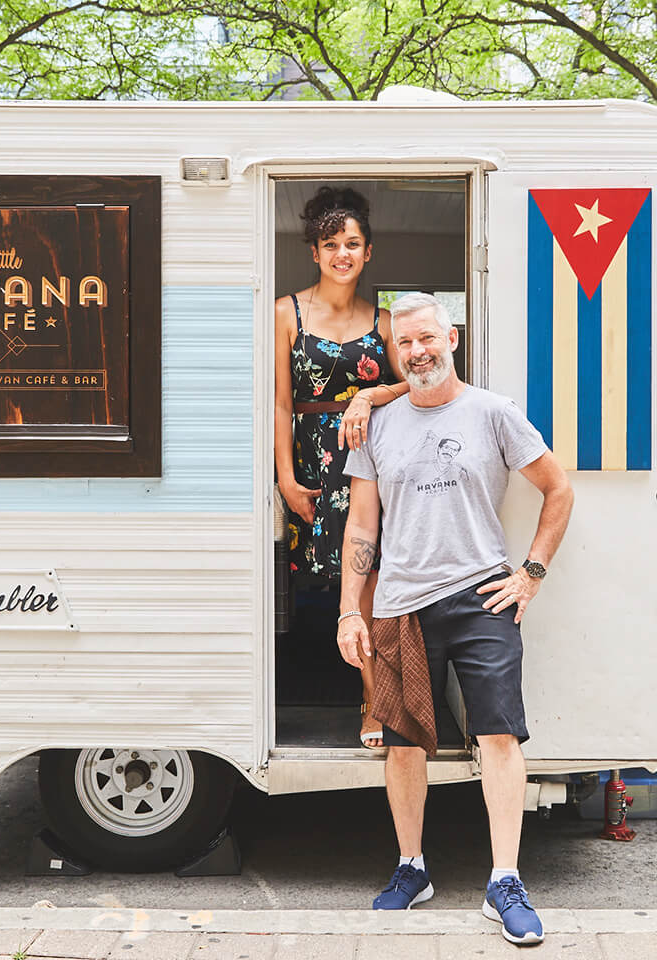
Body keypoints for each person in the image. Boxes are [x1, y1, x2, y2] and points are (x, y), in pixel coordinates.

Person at [337, 292, 573, 944]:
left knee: (499, 735)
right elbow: (362, 524)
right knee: (405, 742)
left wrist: (531, 575)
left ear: (452, 338)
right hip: (399, 604)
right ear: (394, 354)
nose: (417, 352)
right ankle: (411, 868)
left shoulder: (494, 413)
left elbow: (559, 490)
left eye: (426, 339)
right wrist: (347, 613)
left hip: (480, 596)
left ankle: (504, 882)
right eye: (403, 343)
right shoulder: (377, 424)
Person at [274, 186, 407, 748]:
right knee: (335, 588)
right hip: (313, 464)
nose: (342, 254)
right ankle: (365, 690)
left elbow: (421, 383)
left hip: (372, 463)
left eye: (352, 243)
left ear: (368, 252)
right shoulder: (286, 312)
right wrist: (286, 477)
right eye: (331, 244)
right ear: (315, 252)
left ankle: (374, 703)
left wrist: (369, 397)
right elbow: (280, 402)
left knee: (373, 580)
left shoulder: (384, 320)